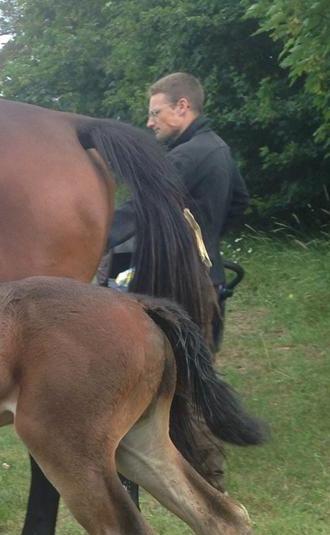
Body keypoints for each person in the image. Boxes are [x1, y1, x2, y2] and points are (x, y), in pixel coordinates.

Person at [104, 72, 249, 349]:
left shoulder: (186, 155)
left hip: (179, 287)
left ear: (182, 106)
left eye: (155, 113)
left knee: (172, 370)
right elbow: (240, 201)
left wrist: (98, 238)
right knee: (200, 364)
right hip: (208, 280)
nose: (150, 123)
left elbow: (141, 206)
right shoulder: (219, 147)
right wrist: (207, 240)